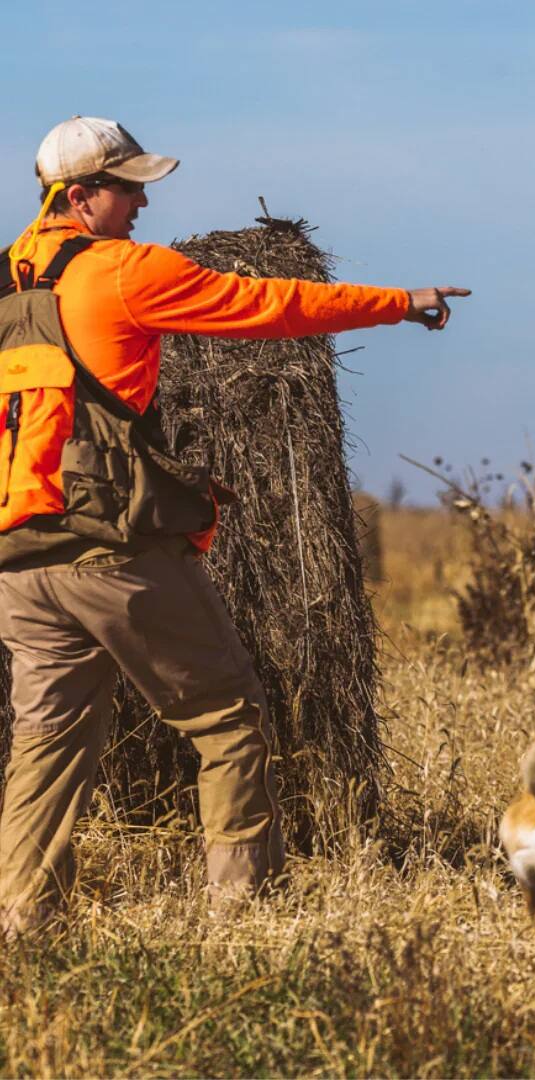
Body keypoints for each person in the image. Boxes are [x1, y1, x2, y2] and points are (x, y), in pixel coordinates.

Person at [0, 116, 469, 937]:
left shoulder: (9, 279)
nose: (144, 199)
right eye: (127, 185)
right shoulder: (120, 272)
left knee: (48, 740)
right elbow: (266, 305)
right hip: (110, 554)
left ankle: (21, 916)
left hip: (21, 558)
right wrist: (401, 303)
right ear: (79, 198)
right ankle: (241, 912)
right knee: (225, 715)